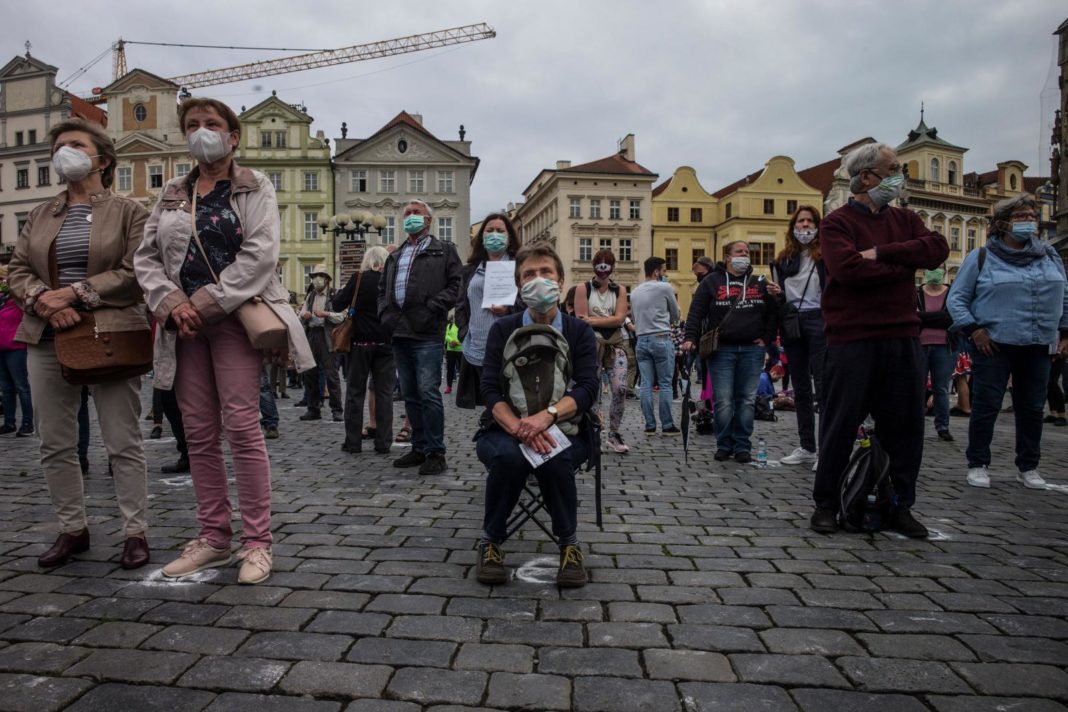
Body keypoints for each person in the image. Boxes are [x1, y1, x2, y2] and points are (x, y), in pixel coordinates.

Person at [134, 97, 314, 584]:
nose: (201, 131)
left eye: (211, 124)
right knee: (196, 431)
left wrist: (207, 303)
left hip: (233, 318)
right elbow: (146, 256)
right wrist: (172, 303)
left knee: (242, 425)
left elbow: (260, 254)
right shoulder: (172, 189)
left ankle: (257, 542)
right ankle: (213, 537)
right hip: (183, 326)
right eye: (192, 125)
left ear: (233, 136)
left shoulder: (256, 184)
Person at [7, 118, 151, 569]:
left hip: (110, 333)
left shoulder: (130, 211)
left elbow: (135, 271)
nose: (62, 152)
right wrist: (45, 303)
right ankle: (73, 529)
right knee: (55, 442)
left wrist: (75, 294)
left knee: (121, 441)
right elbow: (17, 269)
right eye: (58, 146)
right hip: (47, 336)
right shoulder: (40, 213)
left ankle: (134, 532)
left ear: (102, 159)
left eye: (73, 144)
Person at [808, 142, 949, 538]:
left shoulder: (904, 218)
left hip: (903, 334)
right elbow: (848, 270)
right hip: (852, 337)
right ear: (868, 176)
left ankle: (899, 504)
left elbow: (936, 249)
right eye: (894, 168)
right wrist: (904, 264)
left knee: (905, 427)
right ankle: (825, 503)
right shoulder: (836, 223)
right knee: (839, 424)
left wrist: (881, 253)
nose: (900, 175)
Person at [475, 243, 598, 587]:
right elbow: (489, 390)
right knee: (509, 456)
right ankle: (490, 542)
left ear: (561, 282)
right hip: (505, 427)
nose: (538, 279)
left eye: (546, 273)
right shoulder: (503, 330)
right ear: (518, 284)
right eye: (529, 274)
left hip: (566, 428)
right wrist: (519, 427)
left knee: (554, 457)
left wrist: (546, 417)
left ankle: (569, 546)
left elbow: (588, 388)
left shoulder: (579, 331)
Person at [947, 194, 1068, 489]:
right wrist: (974, 330)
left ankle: (1028, 466)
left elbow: (1064, 294)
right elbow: (957, 299)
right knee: (987, 405)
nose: (1029, 220)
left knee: (1032, 406)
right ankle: (978, 463)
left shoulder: (1049, 255)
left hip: (1038, 341)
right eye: (1021, 216)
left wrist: (1065, 331)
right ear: (1002, 224)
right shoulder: (982, 257)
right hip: (994, 342)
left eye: (1031, 215)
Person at [378, 199, 463, 476]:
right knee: (410, 394)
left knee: (428, 392)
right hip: (399, 330)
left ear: (428, 220)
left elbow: (456, 286)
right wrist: (385, 315)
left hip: (427, 331)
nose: (410, 217)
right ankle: (419, 446)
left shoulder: (444, 251)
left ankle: (436, 452)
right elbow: (383, 290)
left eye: (416, 213)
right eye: (407, 214)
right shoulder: (395, 254)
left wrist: (433, 308)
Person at [682, 241, 777, 463]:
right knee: (723, 400)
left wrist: (767, 338)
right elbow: (696, 311)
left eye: (747, 252)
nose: (745, 255)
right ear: (727, 258)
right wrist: (690, 338)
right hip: (721, 349)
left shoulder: (760, 282)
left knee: (746, 400)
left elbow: (773, 313)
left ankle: (743, 445)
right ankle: (724, 443)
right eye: (739, 252)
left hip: (752, 349)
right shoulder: (712, 282)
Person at [769, 206, 826, 466]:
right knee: (801, 388)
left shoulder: (825, 256)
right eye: (800, 222)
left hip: (819, 318)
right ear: (793, 227)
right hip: (793, 320)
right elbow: (782, 295)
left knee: (824, 387)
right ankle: (807, 446)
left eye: (809, 221)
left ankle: (826, 449)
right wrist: (776, 293)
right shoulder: (783, 259)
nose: (805, 226)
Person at [454, 213, 522, 409]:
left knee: (513, 402)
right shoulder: (470, 270)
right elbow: (461, 305)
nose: (494, 235)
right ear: (482, 237)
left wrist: (509, 309)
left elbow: (529, 302)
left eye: (500, 231)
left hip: (513, 346)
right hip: (478, 347)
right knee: (490, 402)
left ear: (509, 237)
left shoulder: (520, 266)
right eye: (489, 230)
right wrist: (464, 332)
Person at [334, 246, 395, 455]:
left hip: (360, 344)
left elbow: (337, 304)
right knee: (385, 394)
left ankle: (353, 442)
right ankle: (383, 442)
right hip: (386, 343)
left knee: (355, 393)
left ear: (367, 260)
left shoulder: (359, 279)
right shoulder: (390, 281)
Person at [575, 249, 630, 453]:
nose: (603, 271)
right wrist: (602, 320)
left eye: (607, 266)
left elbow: (619, 319)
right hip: (591, 345)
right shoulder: (583, 288)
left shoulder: (620, 290)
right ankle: (594, 432)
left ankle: (614, 433)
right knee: (593, 391)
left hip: (616, 344)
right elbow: (581, 319)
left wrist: (593, 320)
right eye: (600, 266)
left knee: (620, 389)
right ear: (594, 268)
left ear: (613, 268)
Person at [630, 256, 680, 435]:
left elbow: (635, 318)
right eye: (664, 270)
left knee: (645, 384)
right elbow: (675, 314)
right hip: (660, 337)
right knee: (666, 384)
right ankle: (667, 425)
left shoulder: (635, 292)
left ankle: (649, 425)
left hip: (641, 340)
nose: (665, 274)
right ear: (657, 271)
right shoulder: (664, 287)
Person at [298, 264, 345, 422]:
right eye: (314, 276)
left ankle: (337, 410)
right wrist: (304, 315)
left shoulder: (334, 295)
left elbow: (341, 316)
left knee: (331, 375)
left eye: (320, 276)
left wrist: (326, 314)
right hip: (312, 334)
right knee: (310, 374)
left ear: (326, 279)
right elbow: (300, 315)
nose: (317, 279)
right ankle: (313, 409)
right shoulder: (310, 295)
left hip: (327, 336)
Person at [917, 265, 955, 442]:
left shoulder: (951, 293)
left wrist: (925, 318)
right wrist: (938, 317)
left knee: (941, 388)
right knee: (918, 387)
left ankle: (943, 427)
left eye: (938, 267)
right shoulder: (917, 293)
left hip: (944, 346)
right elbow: (914, 318)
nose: (935, 271)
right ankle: (915, 425)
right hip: (920, 345)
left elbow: (950, 318)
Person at [0, 266, 33, 437]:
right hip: (1, 347)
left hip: (16, 347)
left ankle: (28, 423)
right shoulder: (2, 299)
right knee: (6, 388)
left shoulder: (18, 300)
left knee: (21, 386)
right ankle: (9, 422)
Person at [444, 316, 462, 395]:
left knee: (462, 370)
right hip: (450, 350)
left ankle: (462, 388)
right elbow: (445, 335)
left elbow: (464, 336)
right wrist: (451, 340)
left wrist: (456, 342)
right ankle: (449, 387)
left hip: (461, 350)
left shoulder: (462, 327)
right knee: (450, 369)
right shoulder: (449, 326)